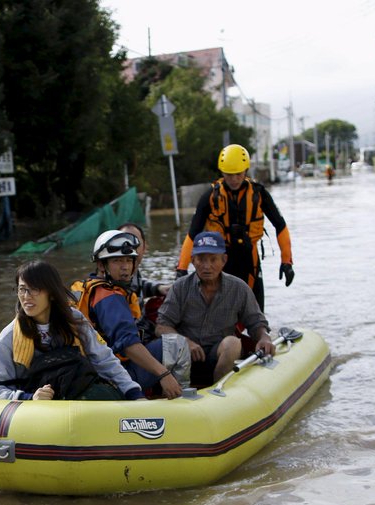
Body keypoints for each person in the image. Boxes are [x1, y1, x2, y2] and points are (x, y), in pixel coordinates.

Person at [0, 260, 144, 401]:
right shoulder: (8, 337)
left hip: (77, 391)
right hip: (35, 404)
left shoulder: (75, 320)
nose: (26, 296)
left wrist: (133, 392)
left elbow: (104, 360)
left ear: (52, 293)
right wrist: (29, 398)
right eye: (22, 289)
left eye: (35, 289)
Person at [175, 144, 294, 311]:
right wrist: (182, 268)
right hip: (220, 259)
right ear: (222, 173)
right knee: (223, 309)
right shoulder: (210, 196)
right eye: (229, 175)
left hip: (249, 258)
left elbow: (280, 225)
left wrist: (286, 262)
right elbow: (193, 234)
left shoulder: (259, 194)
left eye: (238, 174)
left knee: (255, 309)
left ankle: (257, 333)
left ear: (245, 171)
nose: (234, 179)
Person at [71, 230, 187, 399]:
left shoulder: (86, 287)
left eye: (128, 260)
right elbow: (128, 345)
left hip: (89, 369)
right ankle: (181, 394)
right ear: (102, 265)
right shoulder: (110, 297)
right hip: (115, 376)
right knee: (178, 342)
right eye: (117, 261)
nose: (125, 267)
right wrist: (163, 374)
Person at [156, 231, 275, 387]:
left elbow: (256, 323)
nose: (207, 266)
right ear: (193, 261)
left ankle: (218, 389)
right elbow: (161, 326)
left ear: (224, 260)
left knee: (233, 343)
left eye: (213, 260)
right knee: (174, 343)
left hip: (220, 355)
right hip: (185, 357)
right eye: (201, 260)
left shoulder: (239, 288)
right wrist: (186, 342)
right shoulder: (180, 287)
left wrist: (264, 337)